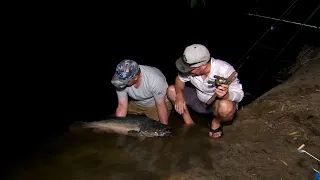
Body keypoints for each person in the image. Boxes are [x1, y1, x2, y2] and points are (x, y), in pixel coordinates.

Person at [167, 44, 244, 138]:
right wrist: (179, 95)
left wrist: (226, 95)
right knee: (171, 90)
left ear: (203, 66)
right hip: (198, 101)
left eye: (190, 69)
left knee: (226, 108)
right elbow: (179, 79)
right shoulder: (191, 67)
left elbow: (240, 95)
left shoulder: (225, 70)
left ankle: (216, 122)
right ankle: (189, 122)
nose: (186, 70)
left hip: (215, 107)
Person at [111, 59, 172, 125]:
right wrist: (118, 128)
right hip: (137, 103)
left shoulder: (155, 79)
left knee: (153, 129)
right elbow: (122, 105)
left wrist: (164, 127)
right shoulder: (119, 80)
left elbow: (161, 105)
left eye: (124, 81)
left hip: (156, 105)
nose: (120, 83)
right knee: (114, 118)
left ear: (136, 77)